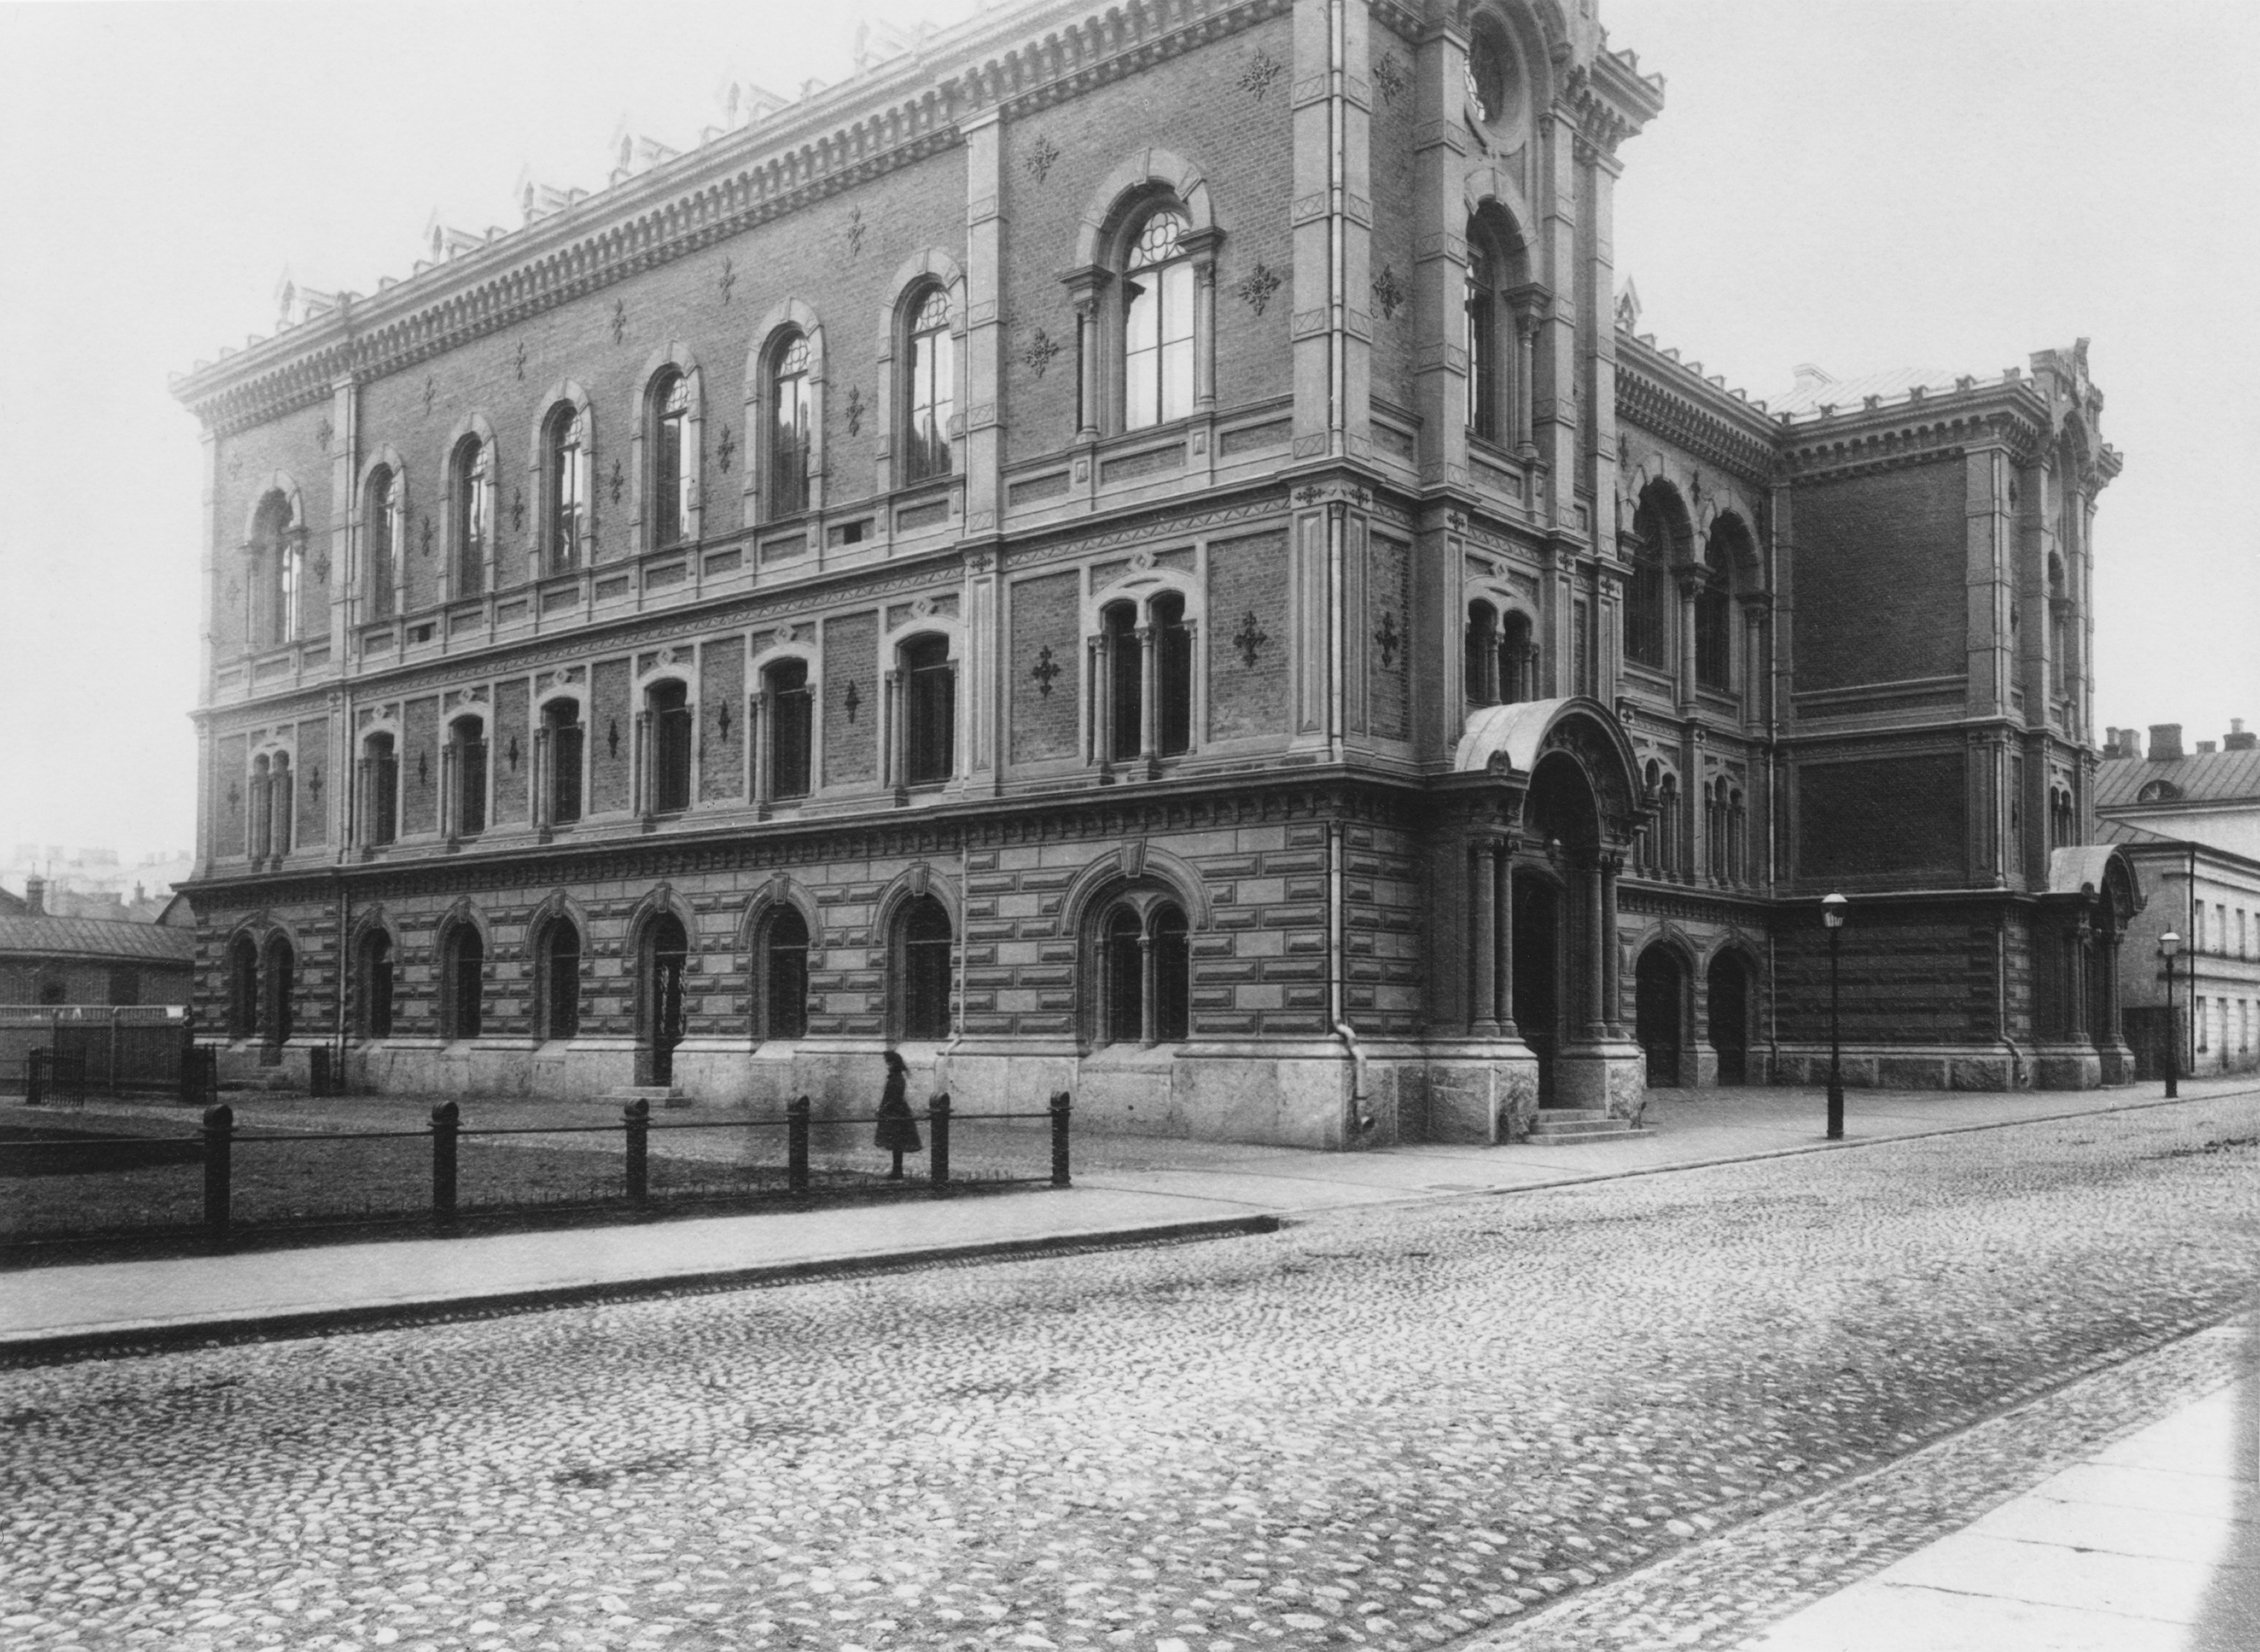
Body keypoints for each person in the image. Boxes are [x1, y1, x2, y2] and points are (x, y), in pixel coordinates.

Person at [874, 1050, 922, 1179]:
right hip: (895, 1113)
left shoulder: (897, 1080)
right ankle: (897, 1170)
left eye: (889, 1064)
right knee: (896, 1144)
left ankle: (897, 1171)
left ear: (895, 1064)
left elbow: (893, 1099)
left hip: (896, 1114)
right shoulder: (896, 1078)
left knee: (897, 1144)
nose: (887, 1066)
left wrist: (881, 1109)